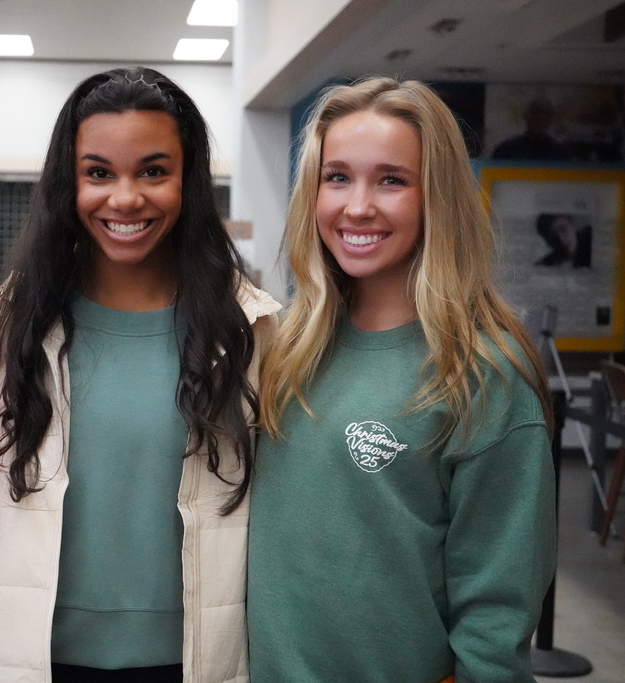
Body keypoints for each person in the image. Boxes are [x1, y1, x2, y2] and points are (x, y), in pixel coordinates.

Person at [0, 66, 280, 683]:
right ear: (70, 182)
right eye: (99, 173)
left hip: (195, 657)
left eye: (153, 171)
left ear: (187, 180)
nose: (125, 197)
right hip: (39, 657)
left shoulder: (251, 330)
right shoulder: (14, 324)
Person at [249, 76, 556, 682]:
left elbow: (497, 612)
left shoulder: (483, 373)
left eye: (391, 180)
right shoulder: (282, 347)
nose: (357, 205)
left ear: (435, 196)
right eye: (336, 177)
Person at [491, 96, 572, 161]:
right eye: (536, 112)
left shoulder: (561, 153)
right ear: (526, 116)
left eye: (546, 113)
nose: (541, 117)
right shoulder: (506, 150)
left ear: (552, 119)